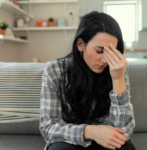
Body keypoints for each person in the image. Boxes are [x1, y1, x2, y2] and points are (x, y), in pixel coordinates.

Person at [39, 11, 136, 150]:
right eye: (99, 51)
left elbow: (123, 132)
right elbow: (48, 127)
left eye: (112, 53)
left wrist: (118, 78)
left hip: (105, 144)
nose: (105, 60)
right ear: (80, 45)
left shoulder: (117, 70)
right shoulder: (55, 71)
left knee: (125, 147)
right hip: (70, 142)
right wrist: (91, 131)